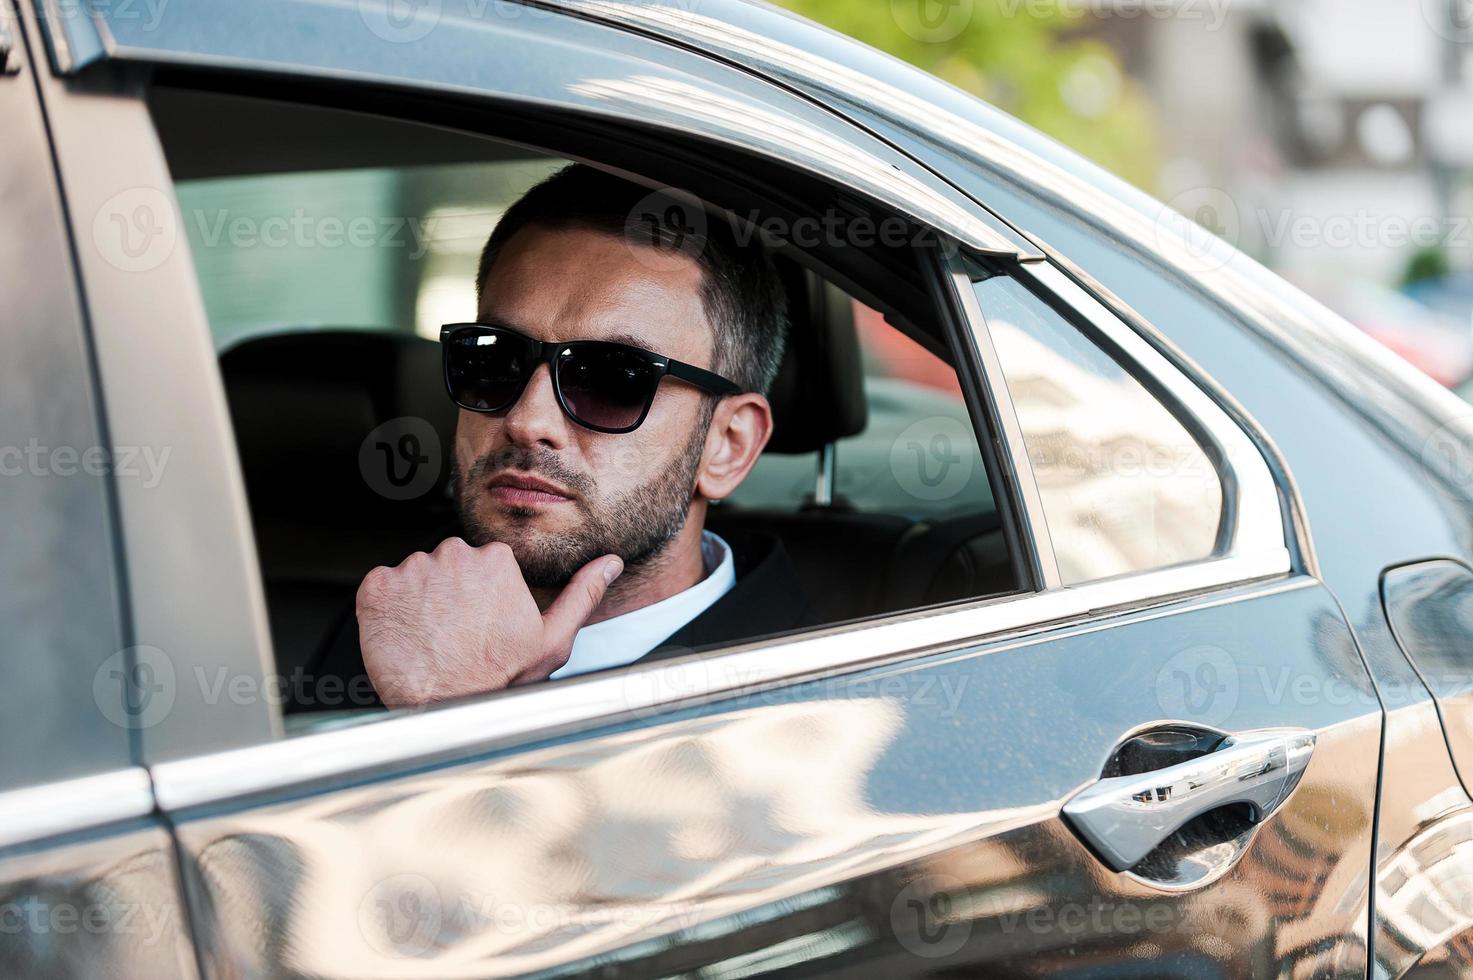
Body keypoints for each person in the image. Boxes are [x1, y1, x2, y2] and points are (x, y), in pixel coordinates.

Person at [324, 164, 809, 708]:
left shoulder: (820, 699)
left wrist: (450, 709)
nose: (528, 421)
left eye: (611, 378)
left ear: (729, 445)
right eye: (494, 359)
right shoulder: (396, 610)